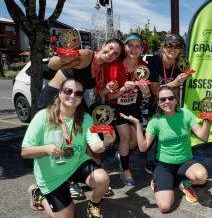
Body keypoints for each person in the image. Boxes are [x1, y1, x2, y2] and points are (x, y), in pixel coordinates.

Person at [38, 38, 124, 199]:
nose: (111, 53)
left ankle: (94, 174)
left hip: (74, 101)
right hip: (54, 99)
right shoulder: (87, 55)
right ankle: (67, 181)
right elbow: (52, 64)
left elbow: (100, 92)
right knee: (62, 141)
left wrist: (109, 88)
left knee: (87, 137)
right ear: (103, 45)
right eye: (110, 48)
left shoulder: (101, 68)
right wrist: (63, 58)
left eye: (116, 54)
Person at [22, 78, 116, 218]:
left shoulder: (85, 118)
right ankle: (39, 194)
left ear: (81, 97)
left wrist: (106, 143)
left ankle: (93, 206)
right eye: (68, 91)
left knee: (102, 179)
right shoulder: (42, 117)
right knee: (67, 216)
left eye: (78, 93)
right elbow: (25, 152)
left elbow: (95, 147)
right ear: (60, 93)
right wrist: (46, 149)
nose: (72, 95)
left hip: (76, 164)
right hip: (52, 175)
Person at [119, 86, 211, 213]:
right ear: (158, 103)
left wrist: (207, 120)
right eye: (163, 99)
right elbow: (143, 147)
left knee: (202, 177)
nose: (167, 102)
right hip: (164, 165)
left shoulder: (186, 113)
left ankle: (184, 183)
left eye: (170, 98)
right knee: (164, 207)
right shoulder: (155, 121)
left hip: (185, 162)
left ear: (176, 100)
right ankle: (161, 180)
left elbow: (203, 137)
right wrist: (138, 125)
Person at [102, 33, 151, 186]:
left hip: (134, 106)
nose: (134, 49)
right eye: (130, 45)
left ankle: (120, 154)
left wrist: (146, 92)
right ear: (125, 47)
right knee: (124, 138)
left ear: (141, 49)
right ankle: (125, 170)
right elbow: (109, 96)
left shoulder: (144, 66)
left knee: (133, 142)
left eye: (137, 46)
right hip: (116, 105)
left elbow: (146, 94)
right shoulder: (114, 65)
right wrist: (122, 89)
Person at [145, 34, 189, 174]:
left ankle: (166, 161)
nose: (173, 49)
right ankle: (150, 163)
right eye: (169, 45)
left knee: (167, 131)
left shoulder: (180, 65)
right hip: (152, 101)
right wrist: (174, 83)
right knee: (153, 134)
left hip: (169, 102)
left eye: (176, 46)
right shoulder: (154, 61)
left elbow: (176, 89)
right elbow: (154, 89)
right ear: (163, 47)